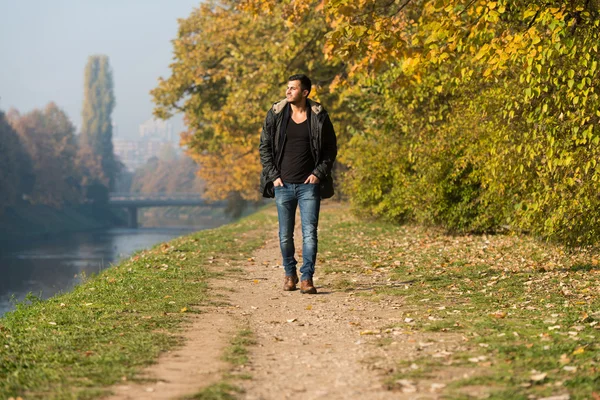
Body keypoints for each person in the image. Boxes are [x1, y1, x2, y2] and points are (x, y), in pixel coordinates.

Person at [259, 74, 337, 294]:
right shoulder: (276, 114)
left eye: (293, 88)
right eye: (287, 87)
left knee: (310, 233)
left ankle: (307, 278)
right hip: (282, 185)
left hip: (309, 186)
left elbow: (330, 149)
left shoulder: (318, 116)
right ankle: (289, 274)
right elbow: (264, 148)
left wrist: (318, 174)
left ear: (305, 92)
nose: (288, 91)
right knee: (285, 235)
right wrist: (274, 176)